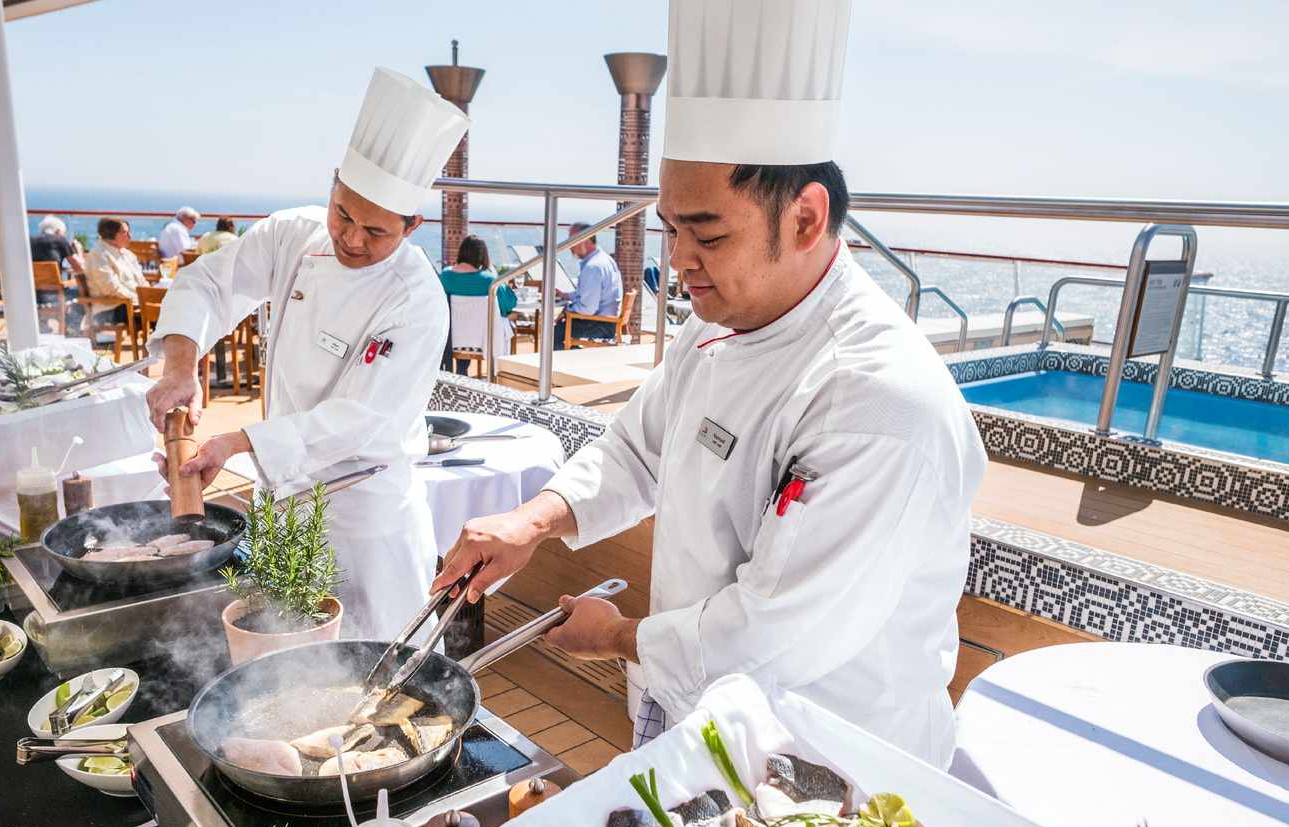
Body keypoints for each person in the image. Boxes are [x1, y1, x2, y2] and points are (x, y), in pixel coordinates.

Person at [432, 0, 987, 767]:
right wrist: (532, 521)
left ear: (805, 218)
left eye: (709, 234)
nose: (680, 260)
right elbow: (636, 451)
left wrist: (619, 637)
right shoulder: (715, 323)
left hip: (822, 760)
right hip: (692, 706)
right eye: (670, 229)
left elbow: (774, 634)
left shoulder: (877, 400)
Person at [144, 67, 468, 642]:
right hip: (284, 500)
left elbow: (359, 419)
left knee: (384, 665)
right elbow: (207, 283)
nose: (351, 239)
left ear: (412, 225)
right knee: (288, 657)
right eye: (343, 213)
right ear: (333, 186)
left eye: (376, 231)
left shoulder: (417, 299)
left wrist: (238, 442)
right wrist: (180, 369)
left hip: (365, 518)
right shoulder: (294, 235)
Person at [438, 234, 516, 374]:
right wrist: (492, 271)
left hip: (451, 339)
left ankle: (462, 371)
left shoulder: (445, 276)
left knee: (463, 326)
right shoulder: (490, 280)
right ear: (482, 256)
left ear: (461, 252)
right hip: (484, 341)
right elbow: (509, 304)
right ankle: (501, 373)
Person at [552, 222, 622, 349]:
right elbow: (592, 294)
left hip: (600, 326)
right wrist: (566, 295)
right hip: (609, 323)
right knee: (562, 325)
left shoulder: (593, 267)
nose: (570, 246)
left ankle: (564, 360)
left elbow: (588, 309)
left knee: (556, 332)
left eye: (572, 241)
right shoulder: (605, 259)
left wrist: (567, 310)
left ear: (585, 240)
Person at [84, 217, 146, 325]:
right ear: (110, 234)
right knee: (163, 318)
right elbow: (110, 289)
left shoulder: (128, 255)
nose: (130, 236)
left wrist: (150, 296)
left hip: (135, 304)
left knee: (168, 311)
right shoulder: (98, 255)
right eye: (124, 232)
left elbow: (142, 282)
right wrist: (139, 299)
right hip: (111, 308)